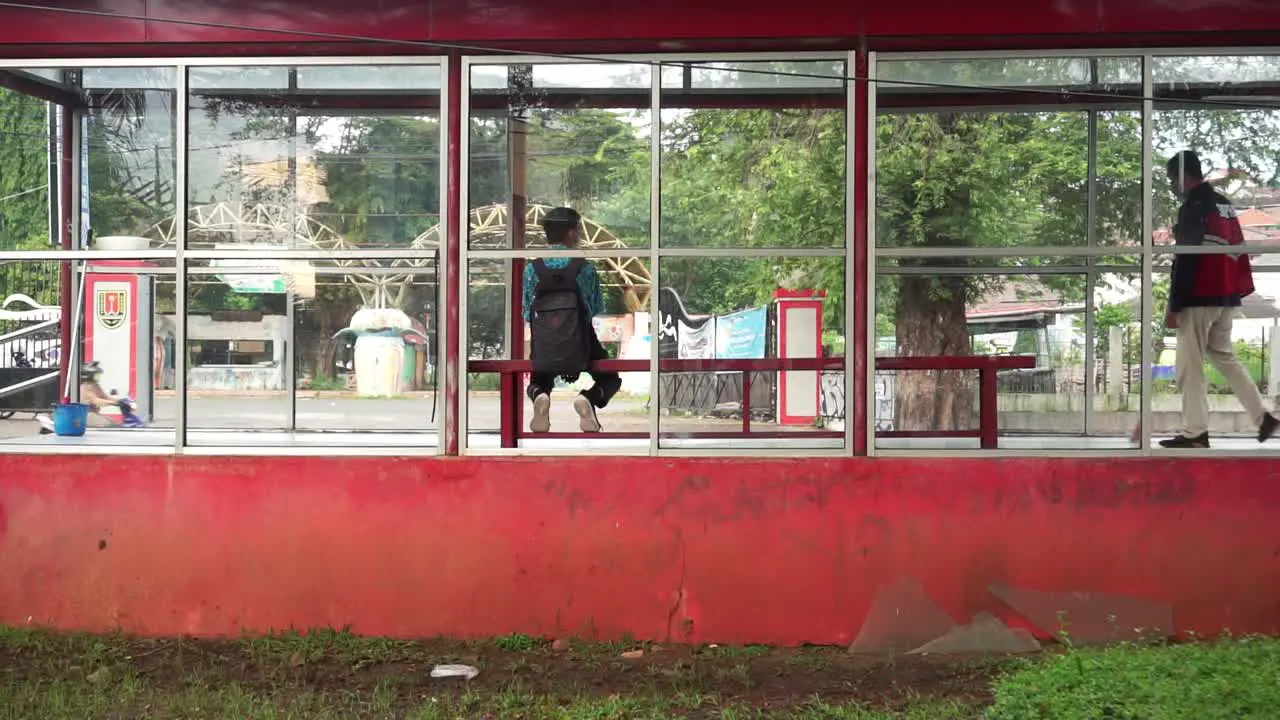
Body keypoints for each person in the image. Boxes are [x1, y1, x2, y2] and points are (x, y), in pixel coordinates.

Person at [1160, 150, 1278, 448]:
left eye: (1173, 179)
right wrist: (1234, 291)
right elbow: (1238, 249)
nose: (1174, 184)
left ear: (1183, 176)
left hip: (1199, 296)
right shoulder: (1224, 205)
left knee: (1190, 365)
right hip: (1225, 295)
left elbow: (1186, 259)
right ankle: (1262, 417)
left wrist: (1174, 305)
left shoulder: (1193, 206)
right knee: (1225, 357)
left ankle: (1195, 432)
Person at [523, 206, 621, 433]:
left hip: (545, 341)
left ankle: (540, 395)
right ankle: (588, 398)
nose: (580, 235)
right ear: (570, 233)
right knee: (610, 378)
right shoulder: (584, 267)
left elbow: (527, 311)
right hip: (581, 340)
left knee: (539, 378)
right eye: (578, 229)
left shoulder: (532, 269)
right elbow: (594, 307)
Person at [35, 361, 121, 434]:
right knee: (108, 424)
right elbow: (96, 401)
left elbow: (105, 397)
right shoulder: (85, 387)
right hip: (85, 414)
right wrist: (113, 403)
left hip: (92, 413)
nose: (98, 377)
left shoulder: (95, 386)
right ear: (89, 375)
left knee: (114, 423)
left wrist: (121, 401)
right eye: (96, 375)